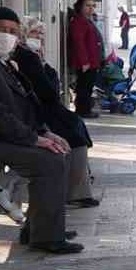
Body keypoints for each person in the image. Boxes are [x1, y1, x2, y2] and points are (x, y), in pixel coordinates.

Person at [0, 6, 82, 254]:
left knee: (60, 150)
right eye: (0, 29)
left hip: (1, 133)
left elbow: (23, 101)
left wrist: (44, 132)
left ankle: (39, 228)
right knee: (48, 161)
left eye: (12, 31)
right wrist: (33, 139)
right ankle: (46, 237)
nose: (6, 35)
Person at [12, 22, 98, 209]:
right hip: (37, 112)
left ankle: (77, 191)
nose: (39, 37)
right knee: (74, 136)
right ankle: (75, 193)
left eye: (41, 33)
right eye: (35, 32)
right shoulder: (27, 57)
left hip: (42, 109)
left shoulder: (33, 55)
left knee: (75, 127)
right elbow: (48, 91)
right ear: (24, 35)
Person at [67, 0, 103, 118]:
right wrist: (84, 62)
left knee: (87, 86)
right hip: (86, 62)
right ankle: (83, 110)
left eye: (92, 6)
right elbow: (78, 42)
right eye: (87, 5)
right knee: (84, 87)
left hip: (92, 61)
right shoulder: (79, 21)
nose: (91, 8)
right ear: (80, 7)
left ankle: (84, 109)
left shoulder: (87, 20)